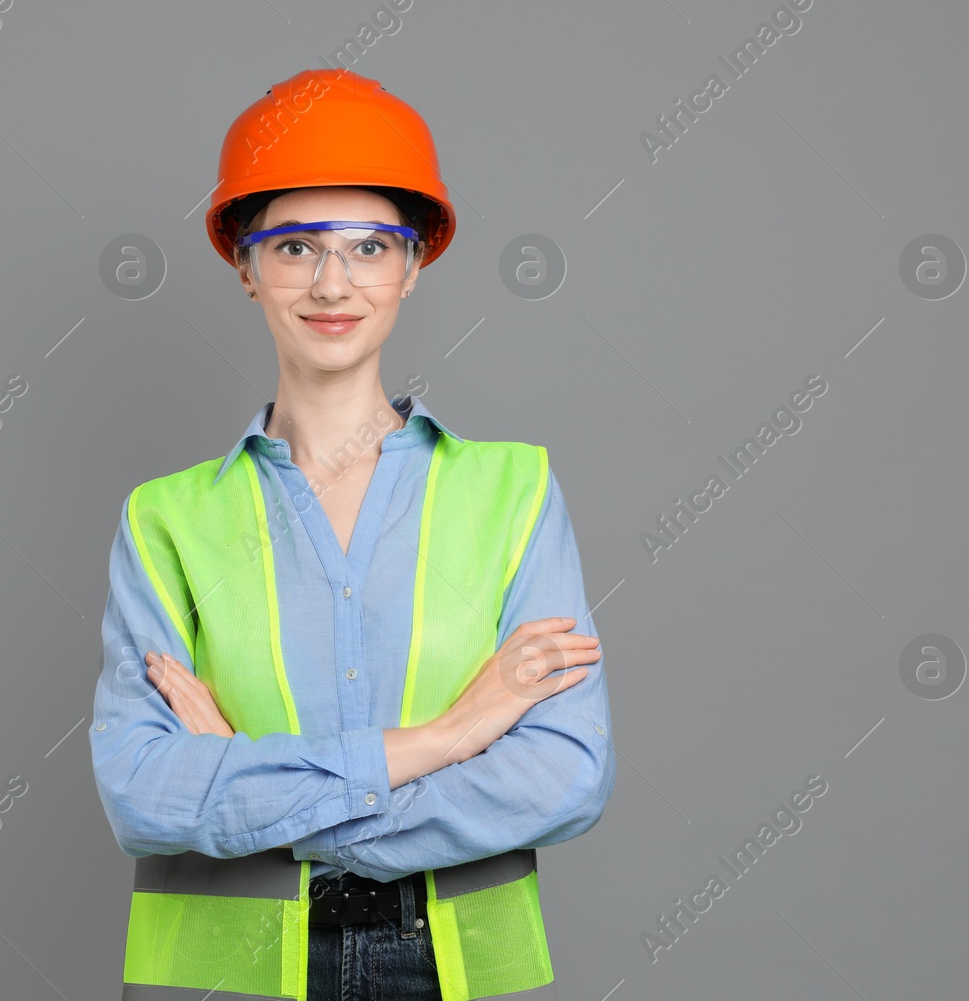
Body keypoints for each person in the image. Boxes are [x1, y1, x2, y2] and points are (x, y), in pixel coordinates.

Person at [89, 68, 615, 1001]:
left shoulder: (515, 490)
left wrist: (249, 787)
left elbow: (564, 775)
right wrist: (447, 736)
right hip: (224, 976)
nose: (332, 282)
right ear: (245, 267)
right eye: (294, 246)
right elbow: (141, 791)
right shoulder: (164, 519)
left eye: (370, 245)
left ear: (413, 266)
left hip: (465, 969)